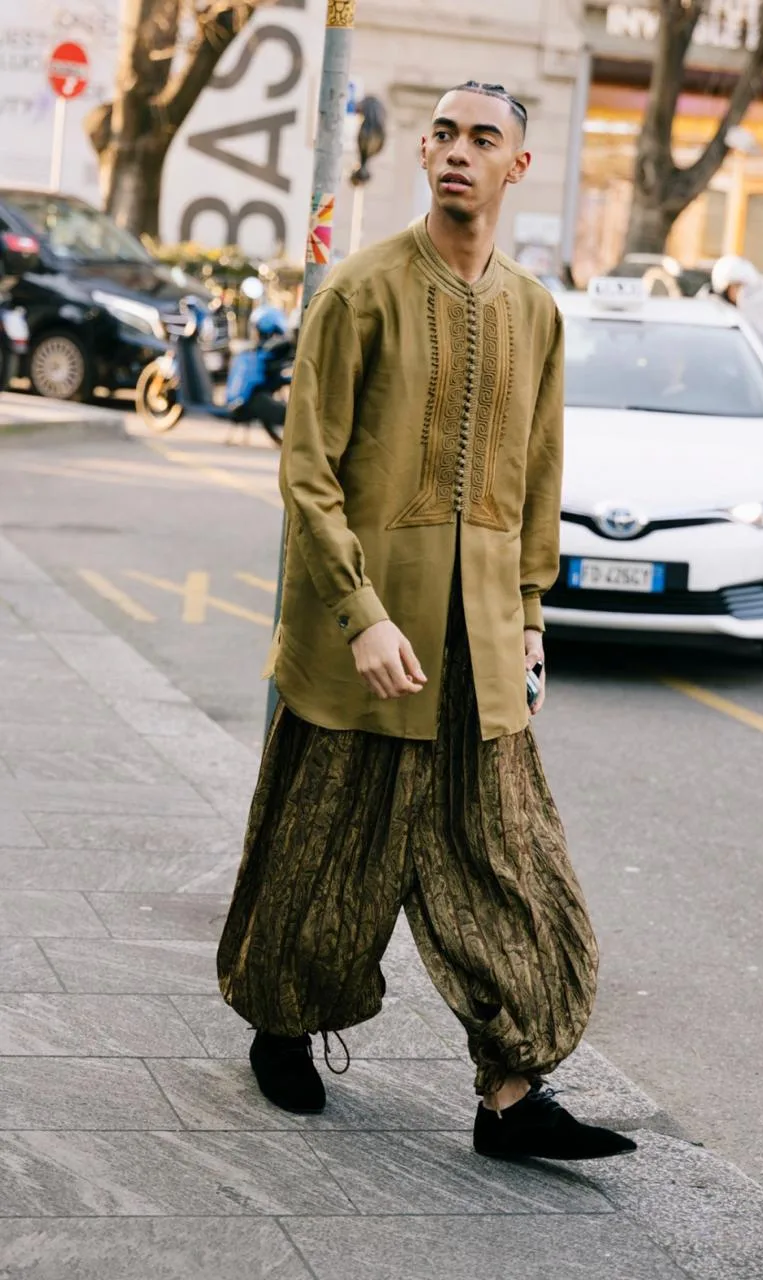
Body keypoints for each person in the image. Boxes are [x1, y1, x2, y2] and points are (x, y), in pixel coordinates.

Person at [216, 80, 636, 1163]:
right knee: (318, 853)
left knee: (514, 868)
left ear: (515, 167)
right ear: (422, 152)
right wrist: (358, 613)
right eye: (442, 134)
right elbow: (307, 476)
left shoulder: (535, 312)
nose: (457, 151)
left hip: (481, 650)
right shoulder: (358, 292)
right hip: (358, 649)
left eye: (481, 138)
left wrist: (530, 612)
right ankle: (281, 1027)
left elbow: (536, 474)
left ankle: (512, 1095)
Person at [711, 254, 763, 370]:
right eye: (737, 286)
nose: (742, 292)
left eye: (746, 287)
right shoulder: (716, 314)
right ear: (724, 288)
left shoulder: (755, 313)